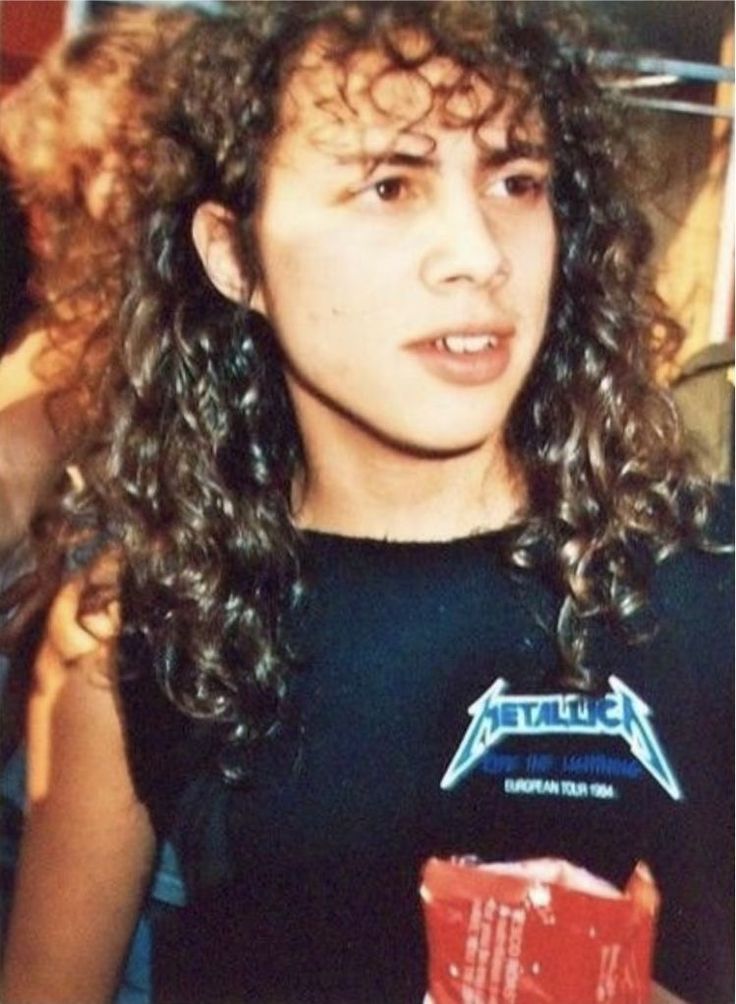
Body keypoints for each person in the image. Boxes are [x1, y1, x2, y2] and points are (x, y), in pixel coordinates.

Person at [2, 2, 732, 1002]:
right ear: (234, 254)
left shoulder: (708, 576)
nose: (477, 254)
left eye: (517, 181)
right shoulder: (147, 624)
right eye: (389, 183)